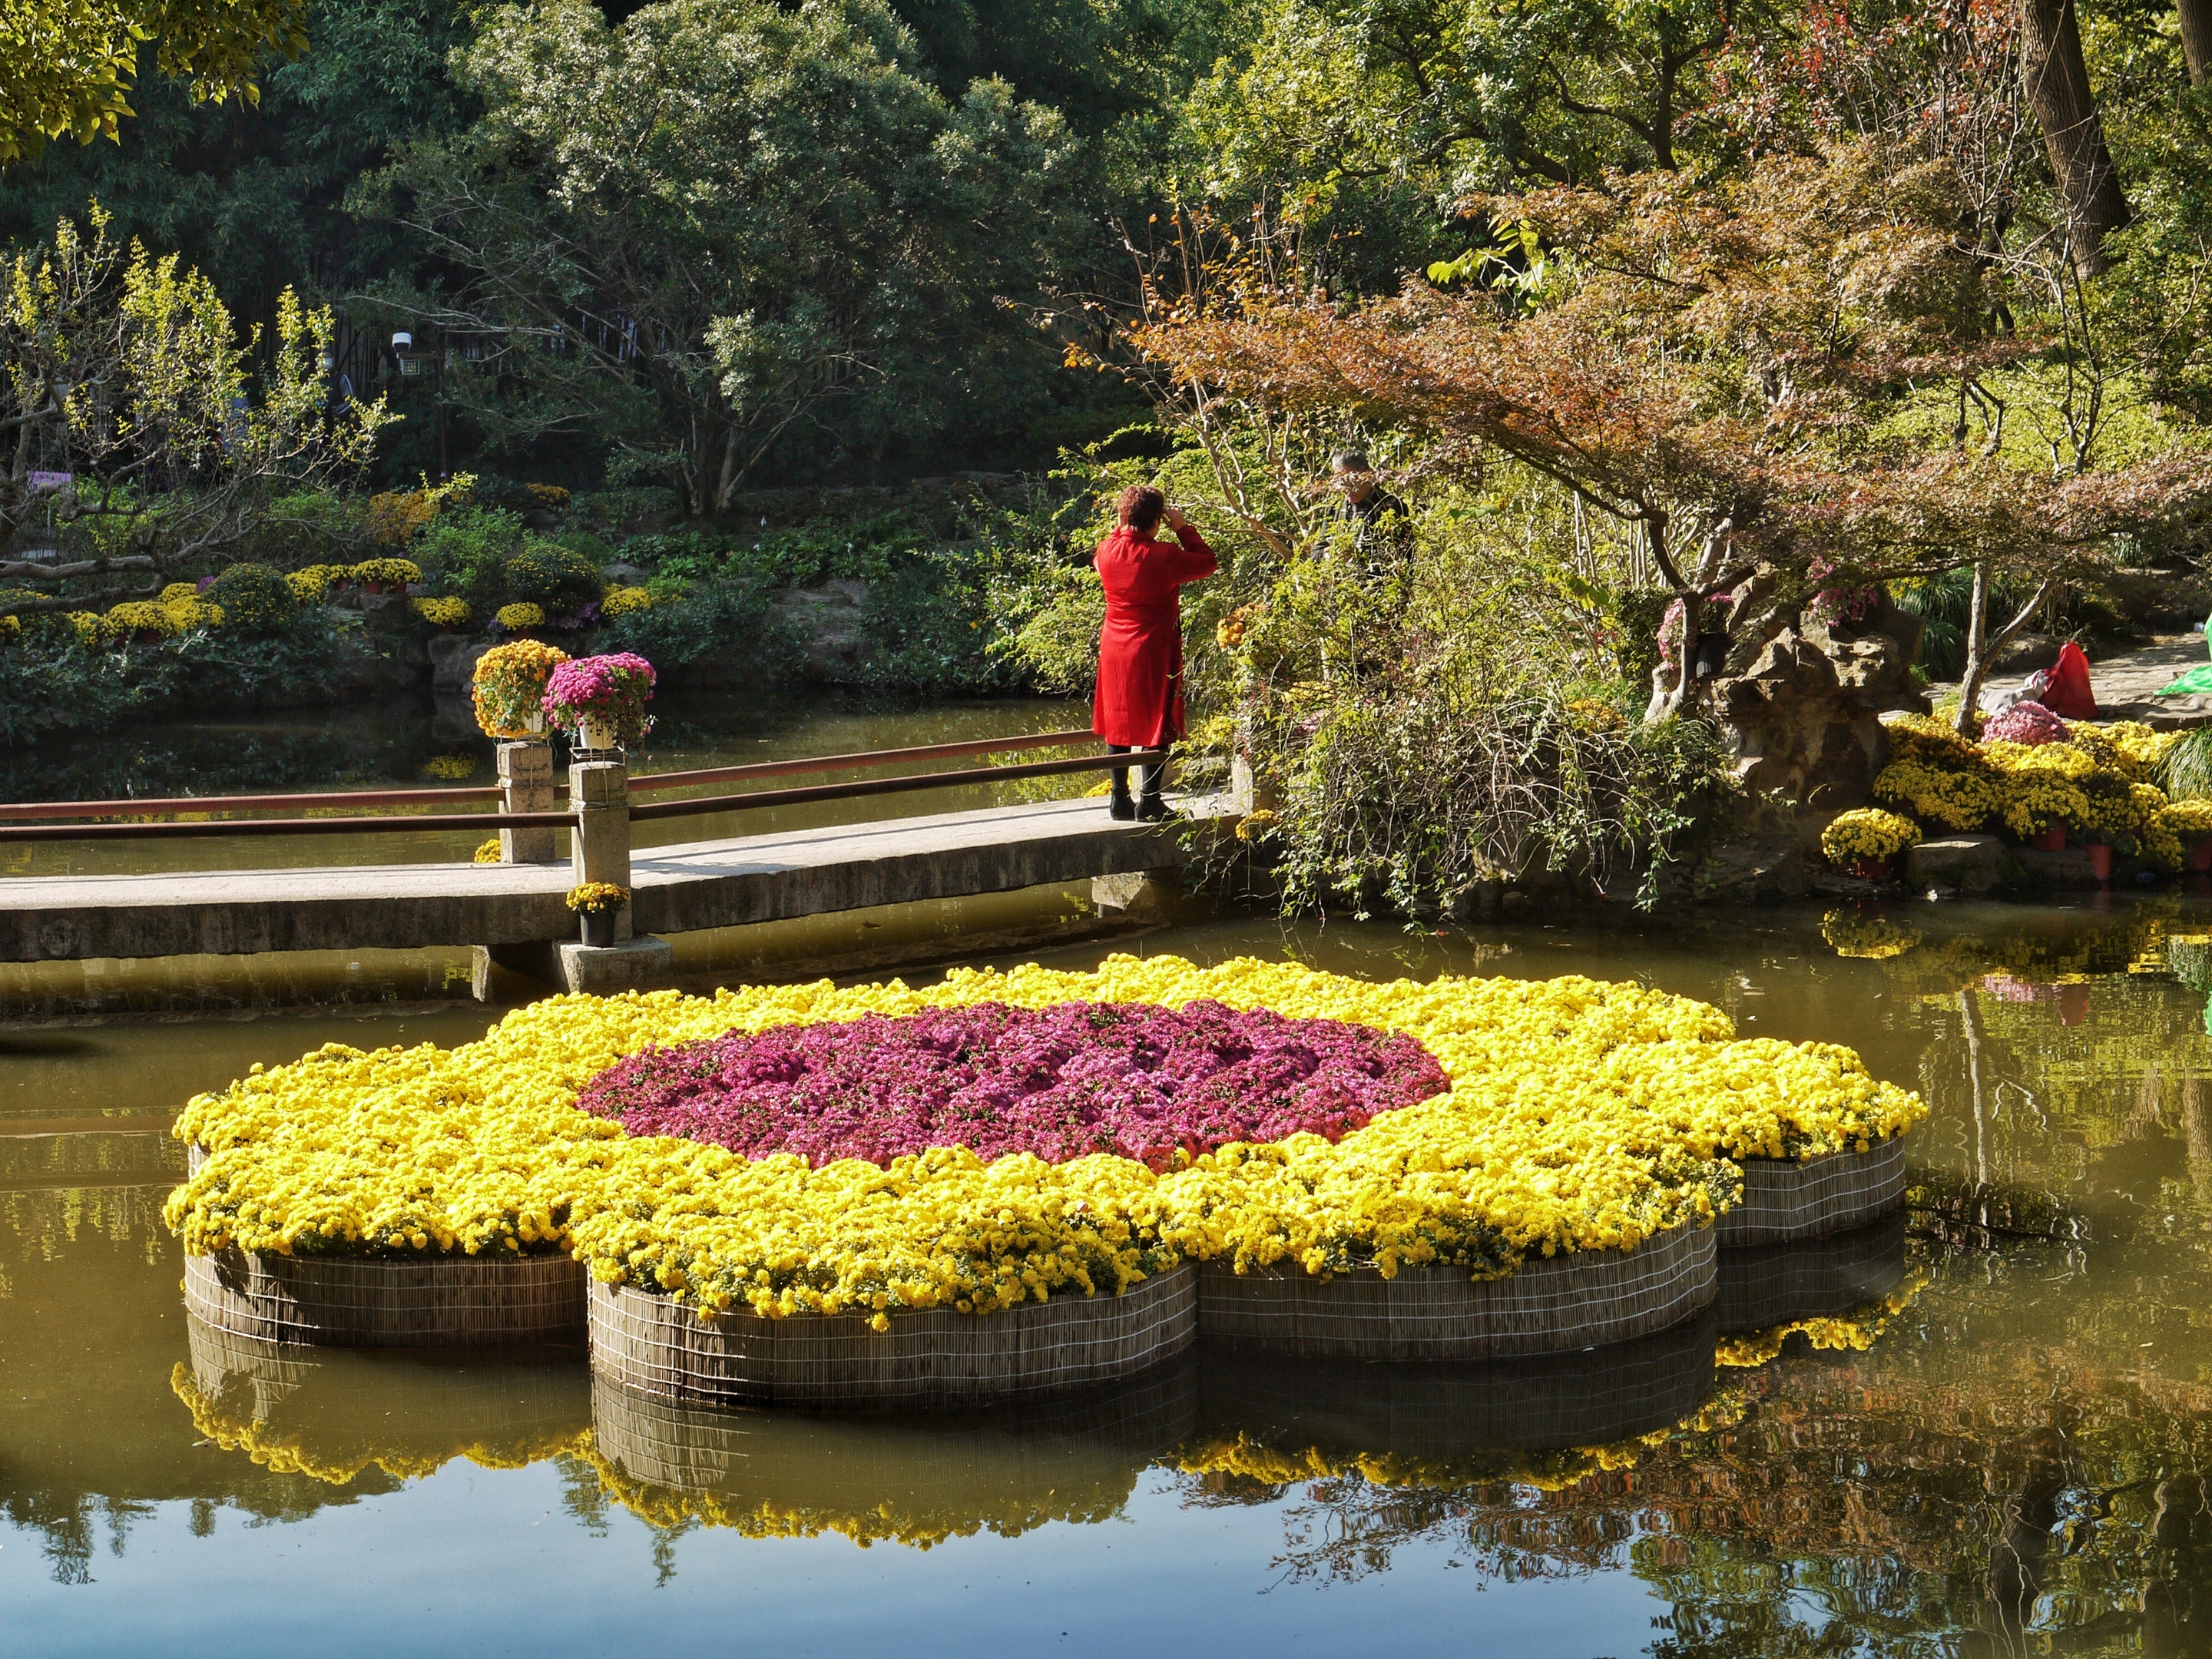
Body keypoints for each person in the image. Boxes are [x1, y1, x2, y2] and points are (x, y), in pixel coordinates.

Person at [1093, 483, 1217, 820]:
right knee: (1157, 720)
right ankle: (1149, 800)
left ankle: (1119, 799)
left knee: (1117, 719)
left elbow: (1106, 555)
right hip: (1152, 647)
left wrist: (1122, 525)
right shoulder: (1164, 556)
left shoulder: (1105, 550)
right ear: (1157, 520)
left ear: (1123, 516)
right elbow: (1207, 562)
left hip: (1115, 647)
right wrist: (1183, 528)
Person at [1327, 450, 1410, 577]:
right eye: (1342, 482)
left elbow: (1402, 555)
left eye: (1354, 480)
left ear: (1368, 473)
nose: (1348, 488)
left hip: (1380, 587)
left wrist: (1355, 558)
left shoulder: (1391, 506)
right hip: (1340, 587)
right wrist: (1326, 554)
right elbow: (1317, 549)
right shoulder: (1335, 508)